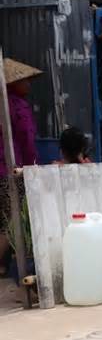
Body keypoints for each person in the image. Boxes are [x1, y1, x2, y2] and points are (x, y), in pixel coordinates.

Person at [0, 58, 41, 275]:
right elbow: (26, 138)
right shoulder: (17, 105)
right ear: (13, 83)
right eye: (24, 81)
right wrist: (33, 167)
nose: (28, 85)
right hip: (11, 169)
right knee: (14, 218)